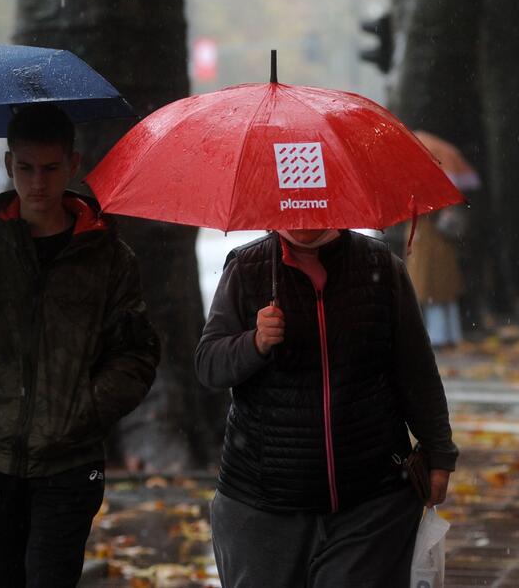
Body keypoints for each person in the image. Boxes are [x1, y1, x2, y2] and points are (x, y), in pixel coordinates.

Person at [0, 104, 159, 587]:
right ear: (9, 165)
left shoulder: (107, 256)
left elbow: (136, 356)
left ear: (73, 164)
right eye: (25, 168)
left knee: (50, 578)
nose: (38, 183)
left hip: (70, 462)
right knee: (3, 579)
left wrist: (81, 412)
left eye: (50, 169)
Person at [195, 228, 458, 587]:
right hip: (262, 504)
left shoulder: (380, 266)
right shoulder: (247, 268)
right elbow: (210, 365)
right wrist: (254, 343)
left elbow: (415, 370)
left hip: (370, 500)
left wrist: (440, 454)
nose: (305, 219)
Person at [407, 204, 469, 347]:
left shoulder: (428, 214)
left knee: (435, 293)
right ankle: (445, 335)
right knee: (437, 294)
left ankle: (440, 336)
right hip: (429, 247)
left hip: (431, 249)